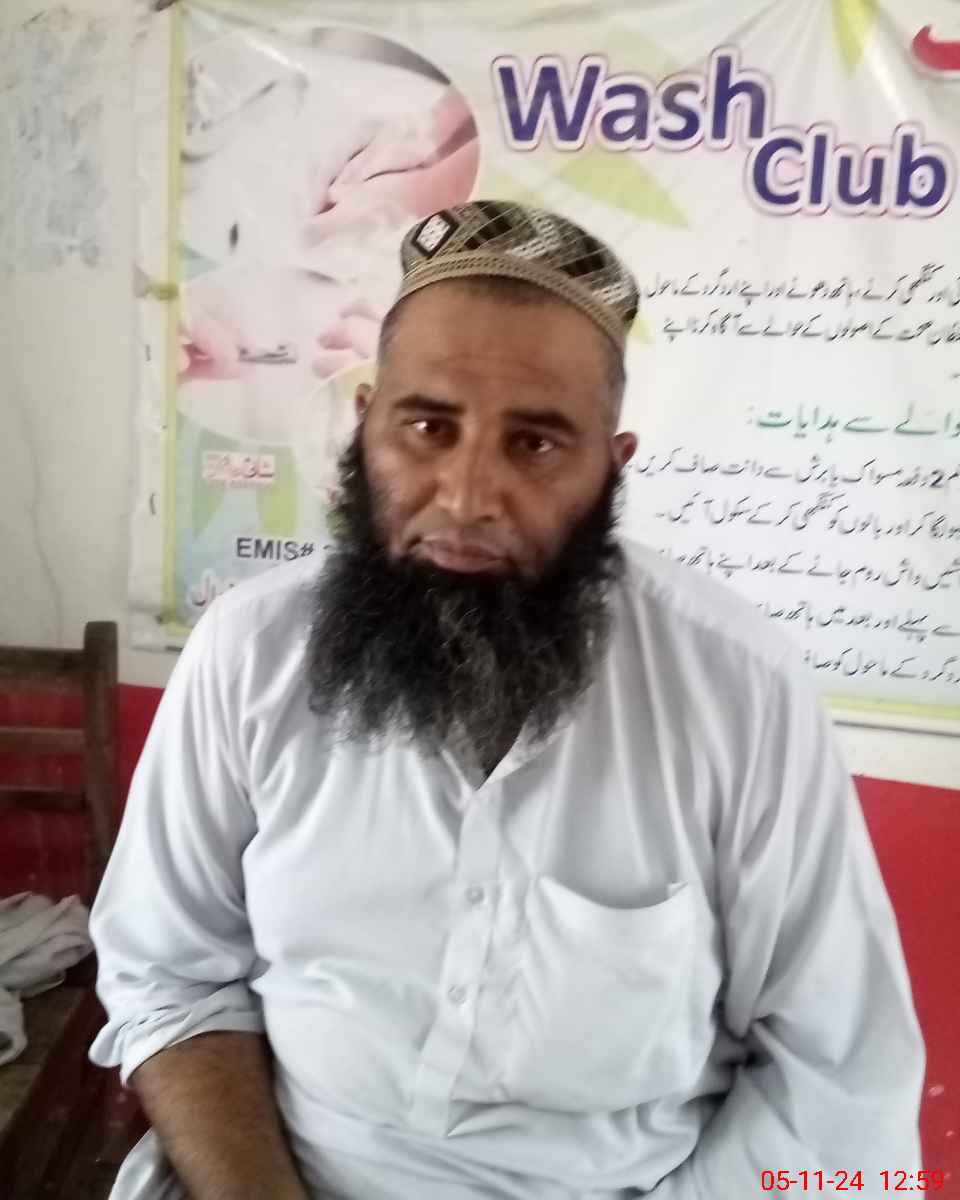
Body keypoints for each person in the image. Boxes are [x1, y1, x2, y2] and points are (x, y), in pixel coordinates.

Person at [90, 200, 924, 1200]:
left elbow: (839, 1082)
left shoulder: (738, 690)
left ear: (611, 468)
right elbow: (169, 973)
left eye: (534, 444)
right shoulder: (249, 654)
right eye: (427, 427)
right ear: (365, 425)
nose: (467, 494)